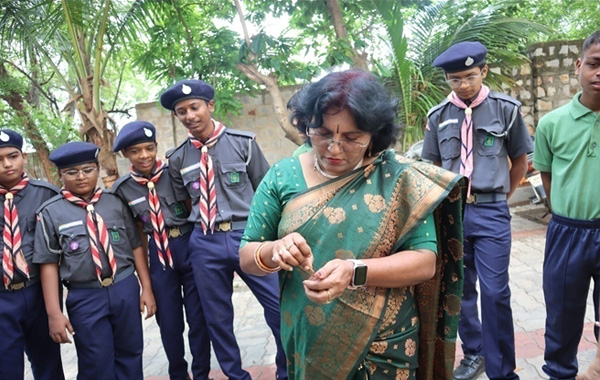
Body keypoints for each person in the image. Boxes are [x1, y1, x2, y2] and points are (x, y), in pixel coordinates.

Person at [239, 70, 465, 379]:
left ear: (375, 135)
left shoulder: (399, 179)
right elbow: (247, 256)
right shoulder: (283, 176)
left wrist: (354, 271)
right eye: (321, 133)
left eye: (351, 138)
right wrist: (274, 251)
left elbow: (425, 263)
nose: (333, 148)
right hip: (311, 338)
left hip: (385, 344)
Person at [161, 79, 287, 380]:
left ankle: (287, 371)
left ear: (210, 106)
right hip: (205, 240)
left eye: (195, 107)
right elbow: (183, 200)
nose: (189, 115)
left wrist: (269, 236)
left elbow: (266, 190)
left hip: (249, 235)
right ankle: (236, 375)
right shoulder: (177, 158)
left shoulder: (243, 143)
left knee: (278, 309)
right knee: (217, 319)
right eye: (181, 111)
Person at [422, 41, 533, 380]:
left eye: (470, 76)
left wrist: (501, 195)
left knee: (496, 291)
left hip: (491, 211)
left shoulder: (507, 109)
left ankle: (502, 369)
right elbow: (434, 167)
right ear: (448, 81)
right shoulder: (438, 117)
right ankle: (474, 354)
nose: (464, 85)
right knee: (461, 289)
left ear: (484, 71)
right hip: (451, 215)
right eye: (455, 80)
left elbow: (519, 162)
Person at [33, 141, 156, 380]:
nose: (81, 177)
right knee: (95, 362)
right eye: (72, 172)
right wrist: (54, 313)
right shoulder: (50, 212)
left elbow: (136, 245)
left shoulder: (115, 202)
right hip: (86, 295)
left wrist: (146, 288)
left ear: (97, 169)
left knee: (131, 353)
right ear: (60, 175)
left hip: (124, 287)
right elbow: (48, 265)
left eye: (87, 170)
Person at [112, 121, 211, 380]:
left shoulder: (174, 171)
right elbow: (137, 239)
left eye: (149, 148)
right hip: (158, 252)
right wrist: (145, 285)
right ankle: (178, 373)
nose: (144, 155)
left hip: (189, 246)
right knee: (168, 322)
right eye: (135, 151)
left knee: (198, 318)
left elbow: (195, 210)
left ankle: (201, 373)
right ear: (125, 155)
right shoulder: (123, 189)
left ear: (156, 147)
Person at [533, 30, 600, 380]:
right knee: (561, 313)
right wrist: (565, 210)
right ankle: (560, 373)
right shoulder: (551, 123)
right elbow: (547, 177)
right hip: (567, 232)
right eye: (594, 63)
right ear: (579, 65)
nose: (599, 72)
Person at [0, 129, 65, 380]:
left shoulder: (47, 195)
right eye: (0, 158)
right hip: (2, 298)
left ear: (23, 157)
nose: (7, 164)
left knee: (48, 364)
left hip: (39, 293)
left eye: (12, 156)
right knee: (6, 369)